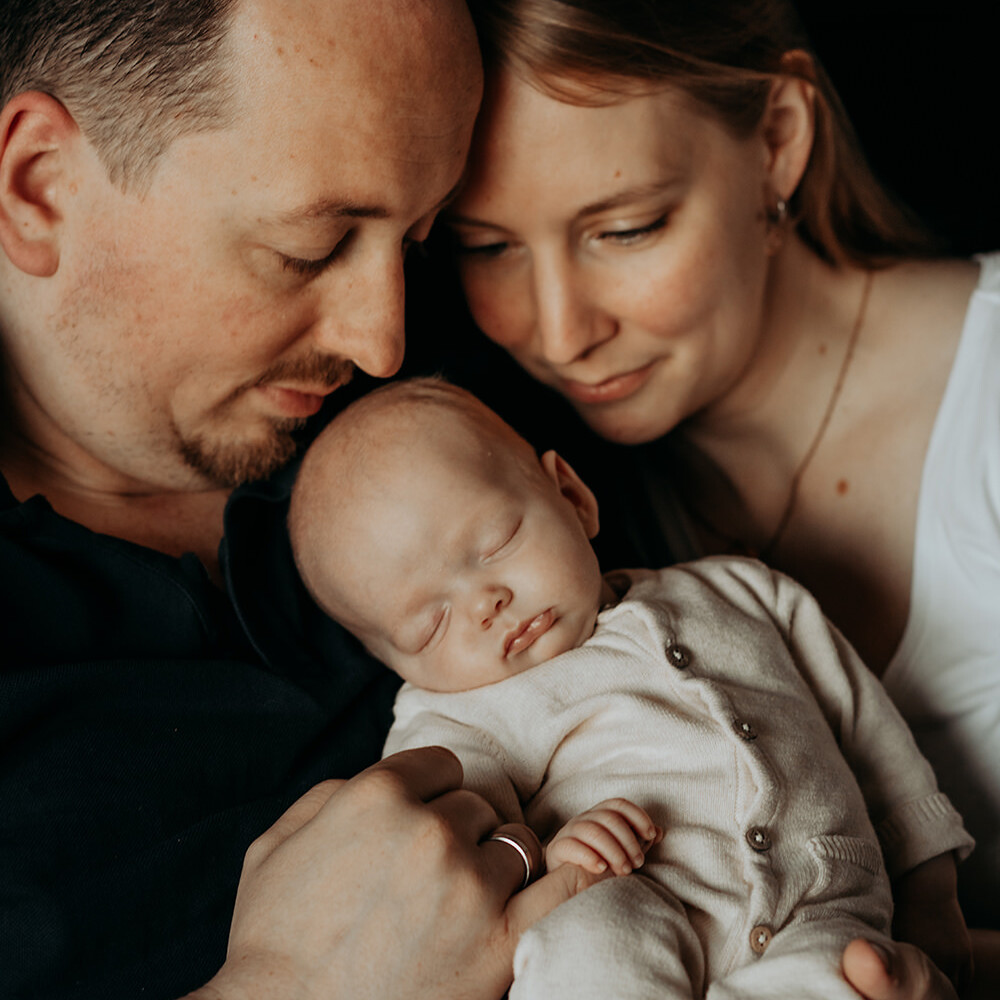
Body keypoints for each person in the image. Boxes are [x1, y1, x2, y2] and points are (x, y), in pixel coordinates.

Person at [0, 2, 605, 998]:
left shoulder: (461, 404)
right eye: (310, 249)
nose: (382, 345)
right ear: (40, 188)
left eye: (416, 238)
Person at [442, 0, 1000, 984]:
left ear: (778, 141)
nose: (559, 332)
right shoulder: (538, 513)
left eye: (626, 227)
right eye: (487, 246)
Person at [287, 377, 974, 999]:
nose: (484, 603)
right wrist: (554, 865)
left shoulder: (743, 592)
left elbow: (867, 730)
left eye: (494, 545)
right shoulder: (453, 724)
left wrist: (930, 889)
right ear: (392, 662)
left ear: (572, 497)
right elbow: (455, 897)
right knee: (588, 941)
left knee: (851, 969)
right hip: (632, 907)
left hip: (820, 906)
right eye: (428, 624)